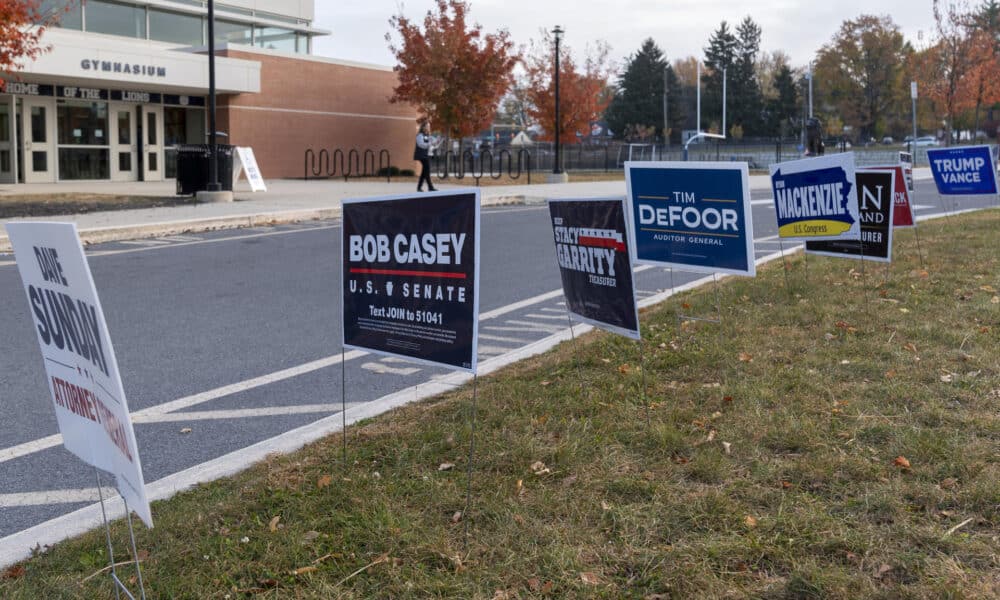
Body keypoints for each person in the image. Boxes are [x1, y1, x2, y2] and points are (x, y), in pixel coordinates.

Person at [414, 122, 436, 192]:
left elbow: (432, 141)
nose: (429, 127)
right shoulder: (420, 135)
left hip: (426, 155)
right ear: (423, 127)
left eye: (429, 126)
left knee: (424, 172)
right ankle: (430, 187)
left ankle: (419, 187)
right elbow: (421, 144)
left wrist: (435, 141)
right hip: (421, 155)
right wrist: (429, 144)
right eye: (427, 126)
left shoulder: (427, 135)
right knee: (427, 171)